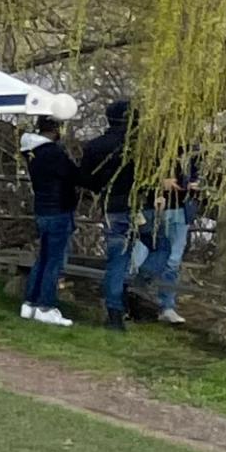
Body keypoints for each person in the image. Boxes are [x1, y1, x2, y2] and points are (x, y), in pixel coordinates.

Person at [18, 113, 84, 326]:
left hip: (43, 209)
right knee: (54, 261)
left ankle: (30, 302)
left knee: (43, 258)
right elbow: (73, 174)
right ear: (56, 130)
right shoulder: (53, 153)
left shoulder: (31, 152)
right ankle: (46, 306)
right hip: (58, 210)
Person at [87, 96, 146, 332]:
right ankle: (119, 306)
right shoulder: (137, 147)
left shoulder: (95, 146)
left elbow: (87, 177)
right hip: (132, 205)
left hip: (110, 205)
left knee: (117, 259)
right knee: (129, 257)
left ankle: (118, 306)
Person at [145, 144, 205, 327]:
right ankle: (136, 293)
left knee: (173, 260)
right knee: (150, 256)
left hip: (182, 209)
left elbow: (203, 176)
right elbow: (139, 176)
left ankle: (167, 305)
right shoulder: (155, 145)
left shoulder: (196, 151)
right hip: (158, 209)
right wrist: (159, 182)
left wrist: (198, 184)